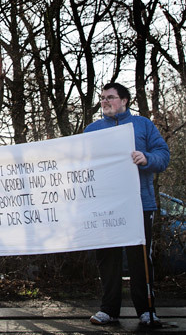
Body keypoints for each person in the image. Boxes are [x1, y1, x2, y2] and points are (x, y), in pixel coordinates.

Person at [84, 82, 170, 327]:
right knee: (107, 258)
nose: (104, 102)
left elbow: (163, 155)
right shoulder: (92, 130)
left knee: (140, 258)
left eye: (110, 97)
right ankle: (109, 310)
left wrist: (146, 158)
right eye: (102, 98)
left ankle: (146, 310)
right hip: (104, 205)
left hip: (139, 204)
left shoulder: (143, 125)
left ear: (124, 101)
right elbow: (80, 163)